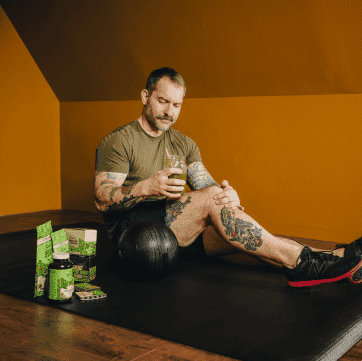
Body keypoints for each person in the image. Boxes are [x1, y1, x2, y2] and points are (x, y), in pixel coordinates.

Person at [94, 67, 362, 287]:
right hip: (135, 241)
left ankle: (335, 260)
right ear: (145, 96)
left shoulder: (184, 144)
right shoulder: (119, 141)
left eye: (176, 104)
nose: (169, 112)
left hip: (176, 235)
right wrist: (146, 187)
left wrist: (226, 196)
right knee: (217, 205)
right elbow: (103, 199)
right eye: (162, 101)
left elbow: (207, 188)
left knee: (250, 235)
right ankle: (302, 265)